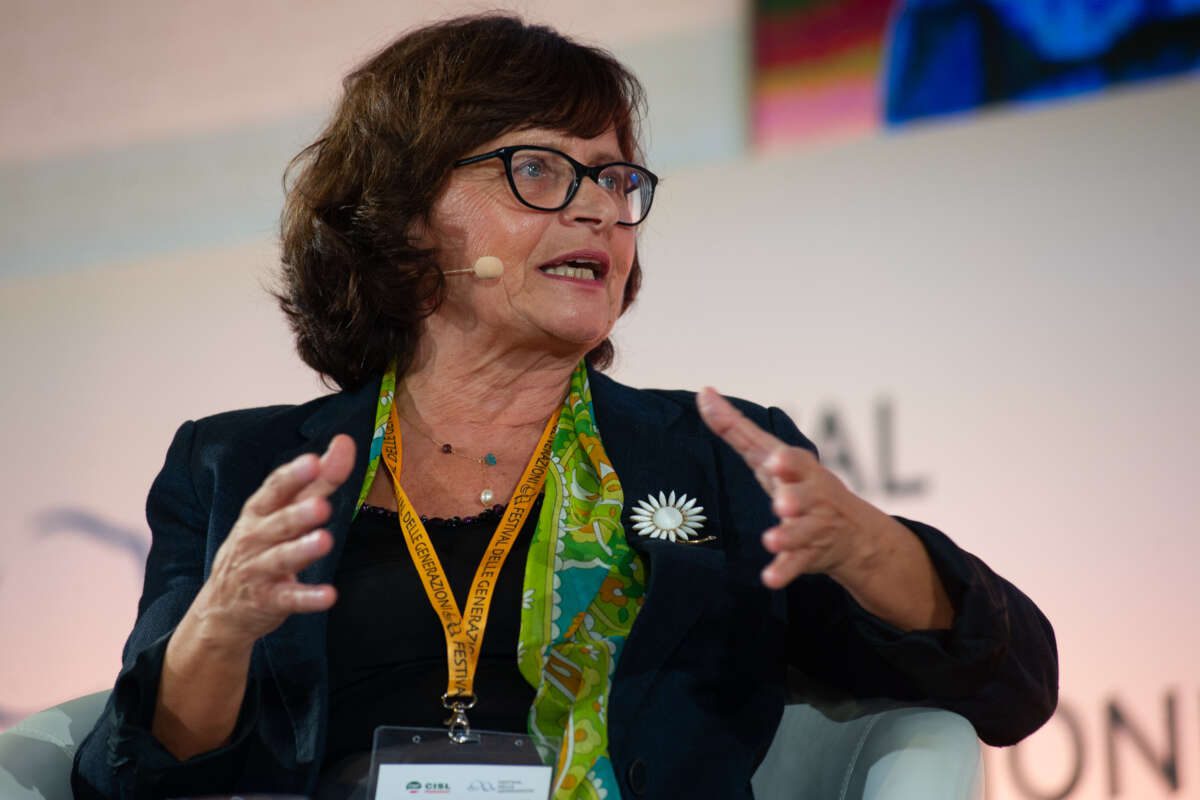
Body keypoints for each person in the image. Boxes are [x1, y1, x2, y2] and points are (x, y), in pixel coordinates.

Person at [72, 13, 1058, 800]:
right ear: (405, 216)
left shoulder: (714, 458)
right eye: (537, 169)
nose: (596, 207)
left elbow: (1014, 691)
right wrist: (221, 626)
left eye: (615, 178)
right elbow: (128, 777)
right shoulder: (236, 468)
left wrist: (870, 548)